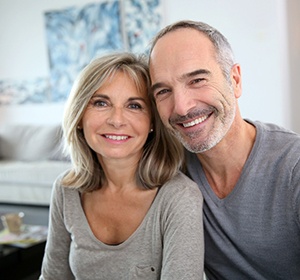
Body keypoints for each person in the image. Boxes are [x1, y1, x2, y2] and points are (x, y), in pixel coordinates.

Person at [148, 20, 300, 279]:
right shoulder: (168, 169)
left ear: (235, 79)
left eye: (197, 80)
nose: (182, 107)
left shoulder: (293, 168)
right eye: (164, 91)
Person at [39, 52, 204, 280]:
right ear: (79, 116)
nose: (117, 120)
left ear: (152, 123)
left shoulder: (179, 197)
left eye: (134, 106)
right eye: (101, 103)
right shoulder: (66, 190)